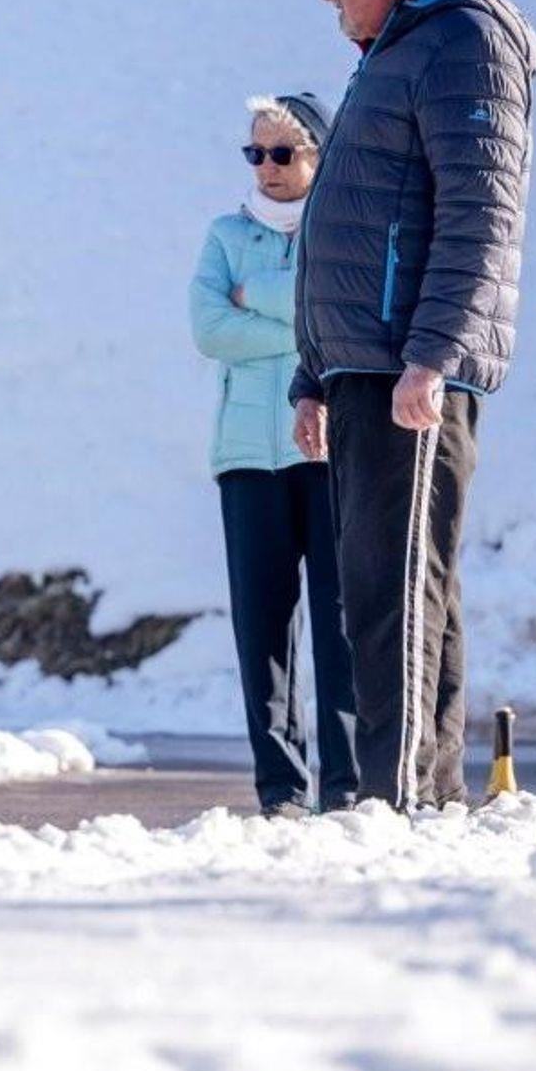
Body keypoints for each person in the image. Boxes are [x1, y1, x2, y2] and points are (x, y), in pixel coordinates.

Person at [287, 0, 536, 810]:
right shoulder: (398, 50)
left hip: (408, 365)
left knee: (392, 591)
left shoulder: (463, 41)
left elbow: (481, 216)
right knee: (393, 584)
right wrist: (313, 371)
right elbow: (357, 226)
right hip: (367, 364)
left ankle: (391, 801)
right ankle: (419, 796)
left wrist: (433, 356)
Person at [190, 92, 356, 817]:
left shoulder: (340, 229)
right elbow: (210, 331)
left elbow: (341, 314)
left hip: (328, 452)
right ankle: (282, 789)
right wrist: (299, 318)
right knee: (262, 629)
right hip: (246, 457)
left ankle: (346, 785)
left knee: (339, 621)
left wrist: (253, 294)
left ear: (318, 154)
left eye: (283, 152)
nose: (267, 166)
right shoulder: (224, 234)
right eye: (255, 153)